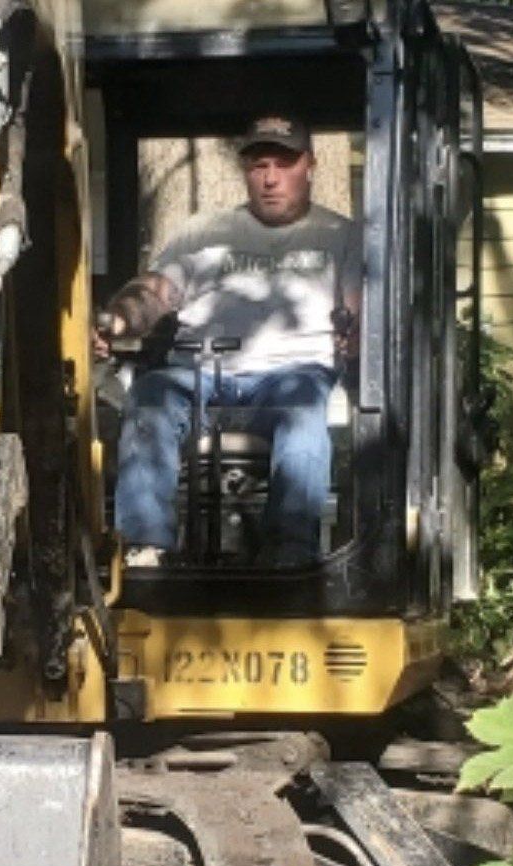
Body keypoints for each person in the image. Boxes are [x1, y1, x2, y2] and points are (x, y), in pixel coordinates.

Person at [95, 115, 363, 566]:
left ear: (310, 165)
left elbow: (358, 308)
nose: (271, 178)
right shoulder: (203, 232)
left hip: (292, 375)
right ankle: (143, 550)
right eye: (259, 165)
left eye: (284, 163)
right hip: (198, 373)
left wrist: (356, 335)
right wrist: (115, 322)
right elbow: (155, 293)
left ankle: (289, 557)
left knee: (302, 414)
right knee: (149, 397)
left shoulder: (343, 236)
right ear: (245, 170)